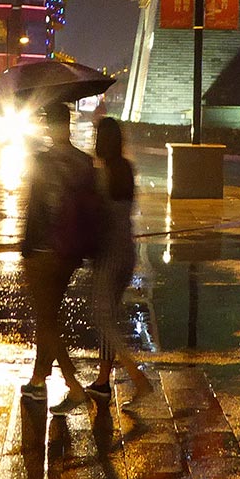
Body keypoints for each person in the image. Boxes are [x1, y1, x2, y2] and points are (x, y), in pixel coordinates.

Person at [19, 101, 98, 412]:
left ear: (49, 126)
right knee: (48, 314)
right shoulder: (84, 162)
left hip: (42, 248)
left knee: (47, 318)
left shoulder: (41, 160)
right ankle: (38, 379)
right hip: (70, 251)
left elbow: (34, 208)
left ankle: (72, 384)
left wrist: (25, 245)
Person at [86, 118, 150, 404]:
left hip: (108, 254)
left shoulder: (103, 174)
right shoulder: (127, 169)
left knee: (103, 319)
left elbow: (96, 215)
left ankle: (137, 377)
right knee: (108, 317)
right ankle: (102, 381)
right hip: (127, 252)